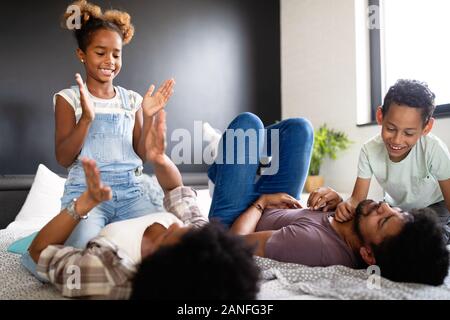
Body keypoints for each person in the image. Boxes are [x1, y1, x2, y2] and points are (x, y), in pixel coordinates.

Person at [28, 111, 260, 300]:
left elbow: (38, 252)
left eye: (172, 236)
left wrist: (84, 203)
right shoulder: (202, 240)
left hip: (92, 210)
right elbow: (174, 191)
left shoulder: (106, 272)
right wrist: (159, 159)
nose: (175, 225)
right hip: (143, 195)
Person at [207, 112, 449, 286]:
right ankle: (227, 163)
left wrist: (261, 203)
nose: (383, 205)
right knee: (299, 129)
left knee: (247, 126)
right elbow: (322, 219)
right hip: (282, 203)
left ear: (367, 255)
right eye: (395, 211)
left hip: (241, 216)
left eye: (383, 220)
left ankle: (223, 164)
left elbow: (233, 243)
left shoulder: (313, 246)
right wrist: (334, 201)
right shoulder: (357, 226)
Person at [54, 0, 176, 249]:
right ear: (81, 54)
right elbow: (64, 158)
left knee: (165, 243)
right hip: (87, 194)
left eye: (116, 54)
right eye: (100, 53)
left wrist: (149, 115)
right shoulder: (67, 99)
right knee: (82, 250)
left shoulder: (131, 100)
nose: (110, 60)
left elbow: (141, 154)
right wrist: (87, 119)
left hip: (133, 192)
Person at [321, 80, 450, 242]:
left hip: (434, 208)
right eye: (390, 129)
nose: (397, 140)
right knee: (374, 235)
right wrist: (347, 206)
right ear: (380, 116)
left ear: (426, 128)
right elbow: (357, 198)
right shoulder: (369, 150)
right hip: (395, 210)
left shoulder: (434, 149)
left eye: (408, 133)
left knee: (426, 239)